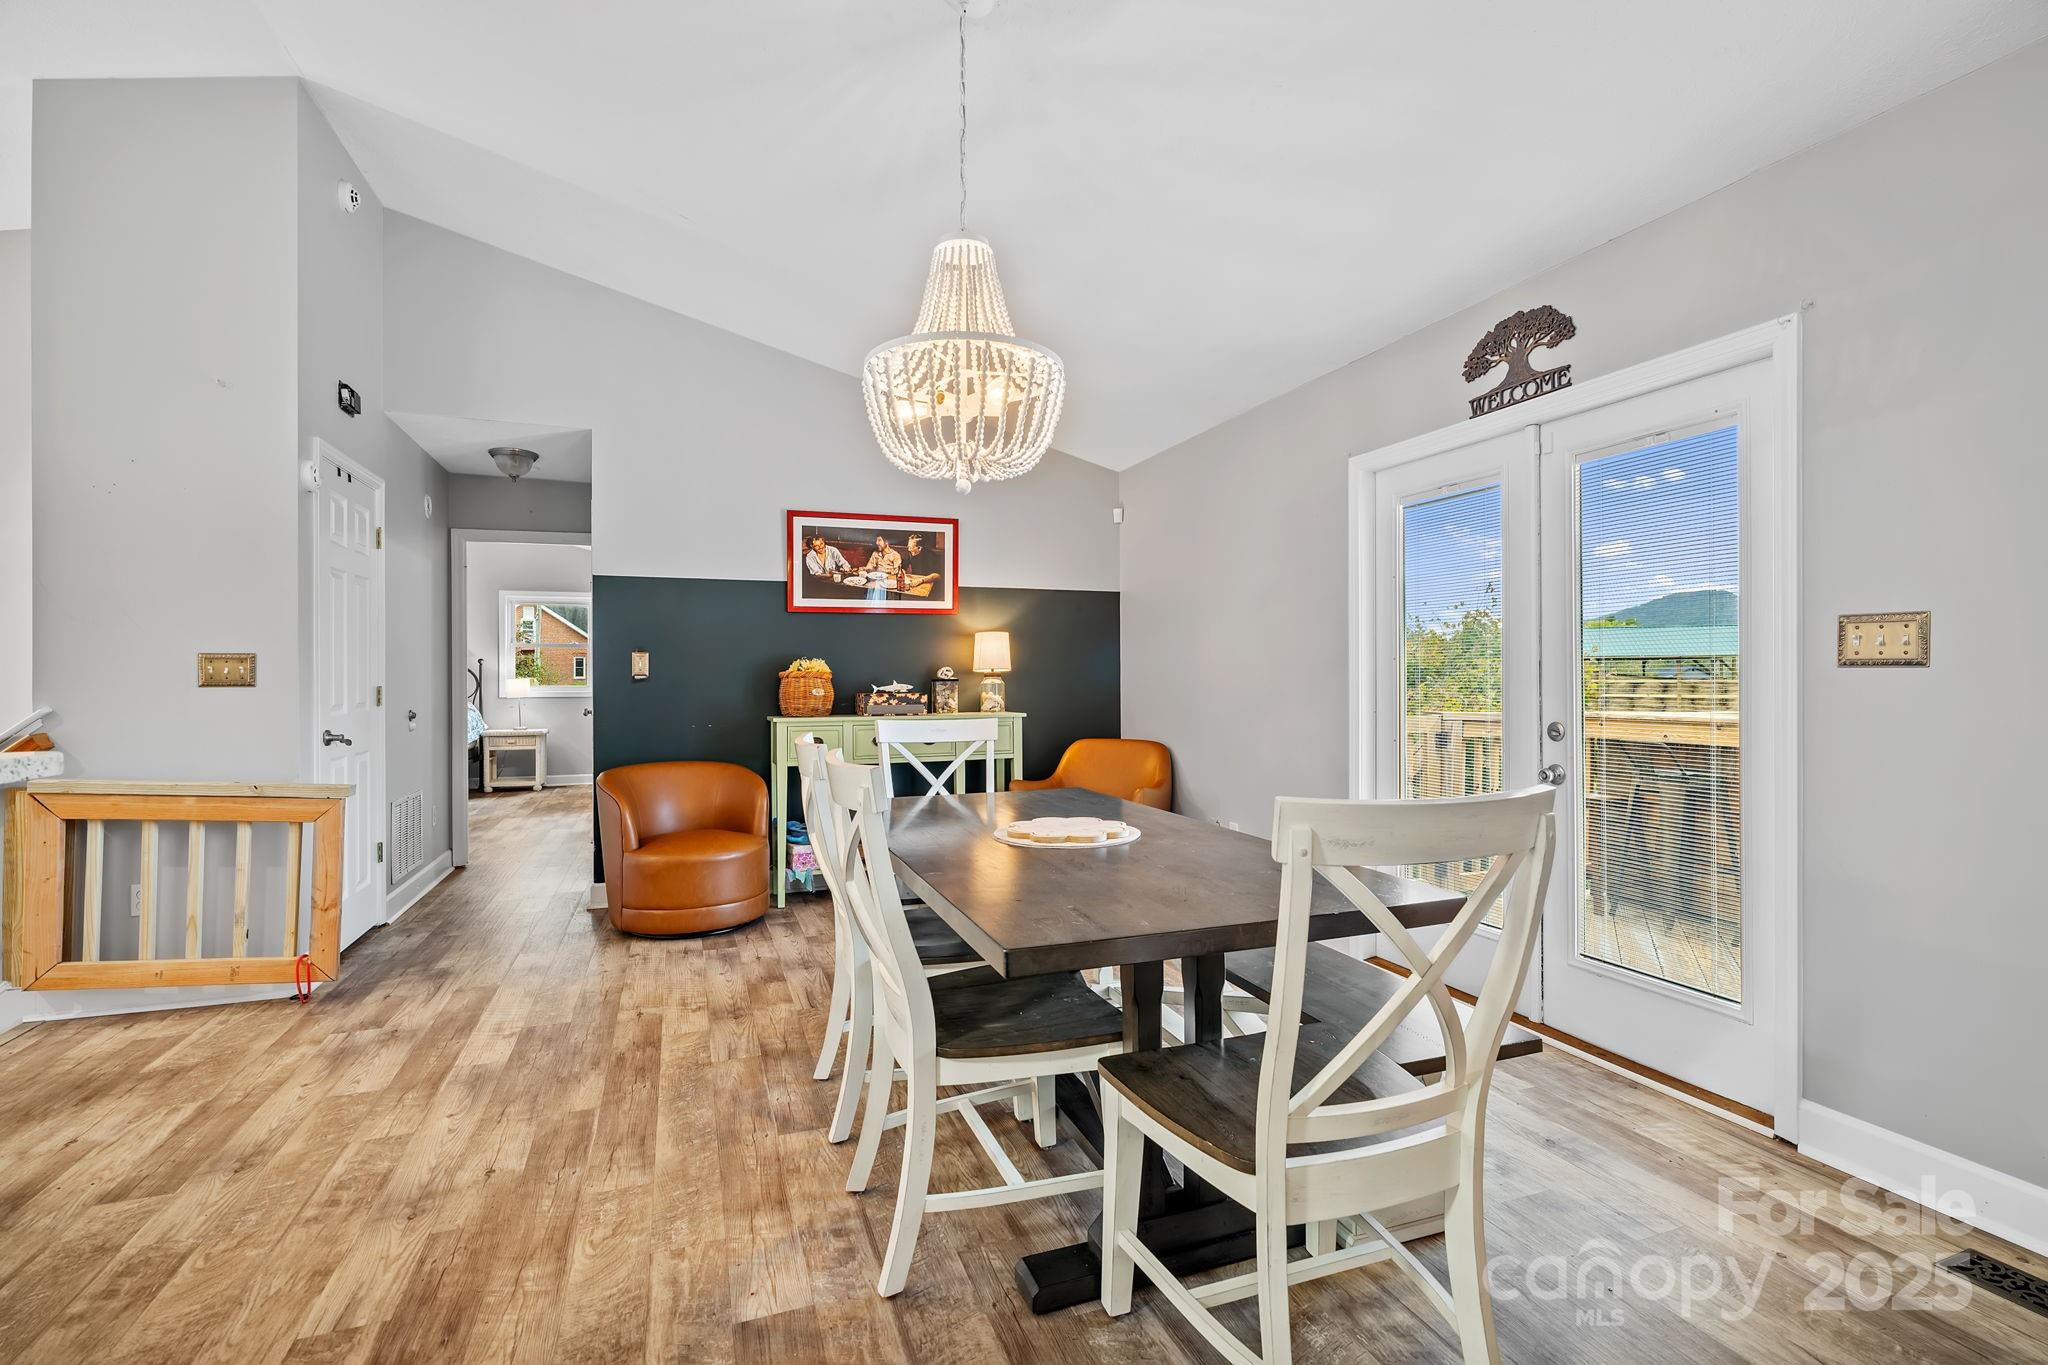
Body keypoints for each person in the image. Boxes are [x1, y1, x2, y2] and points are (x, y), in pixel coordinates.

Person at [861, 536, 901, 602]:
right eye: (876, 540)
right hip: (876, 581)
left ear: (886, 542)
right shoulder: (875, 554)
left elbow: (897, 572)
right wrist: (864, 569)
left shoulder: (895, 555)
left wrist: (882, 573)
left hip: (889, 584)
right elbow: (869, 567)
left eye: (879, 540)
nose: (877, 543)